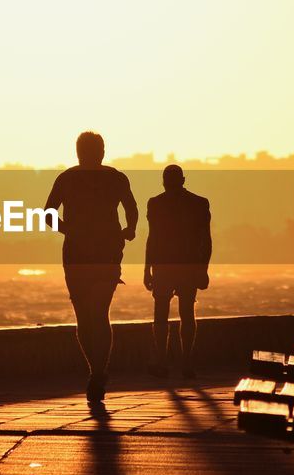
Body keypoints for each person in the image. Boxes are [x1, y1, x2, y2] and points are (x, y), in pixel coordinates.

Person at [45, 132, 138, 408]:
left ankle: (96, 371)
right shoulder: (115, 177)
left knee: (87, 316)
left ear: (78, 152)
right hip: (105, 253)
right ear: (102, 151)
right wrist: (129, 230)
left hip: (80, 255)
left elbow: (47, 213)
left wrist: (69, 232)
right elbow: (132, 209)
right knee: (97, 314)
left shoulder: (68, 178)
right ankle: (98, 371)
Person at [143, 164, 211, 380]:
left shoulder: (156, 204)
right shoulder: (198, 203)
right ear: (183, 180)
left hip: (165, 265)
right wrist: (203, 268)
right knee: (186, 313)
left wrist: (147, 269)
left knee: (162, 313)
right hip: (186, 265)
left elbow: (152, 239)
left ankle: (164, 361)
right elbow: (206, 241)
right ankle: (185, 362)